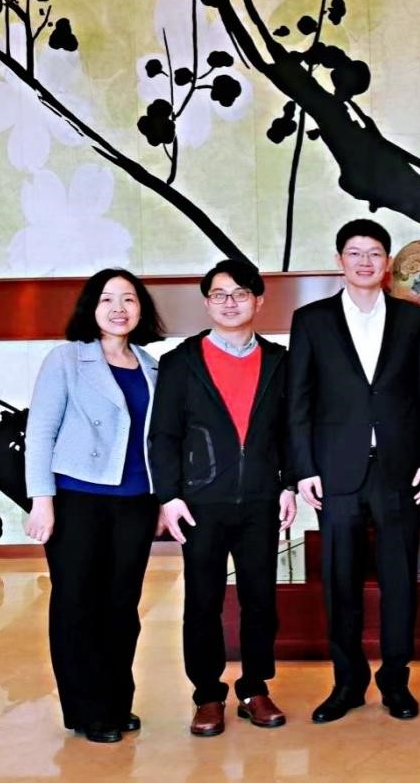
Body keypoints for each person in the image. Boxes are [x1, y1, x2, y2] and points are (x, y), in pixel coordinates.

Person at [287, 219, 420, 723]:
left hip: (399, 471)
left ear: (387, 262)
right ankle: (347, 683)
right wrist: (303, 468)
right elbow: (298, 402)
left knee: (400, 580)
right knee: (340, 582)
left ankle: (396, 682)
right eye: (354, 253)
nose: (364, 262)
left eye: (374, 253)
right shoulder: (311, 320)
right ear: (340, 261)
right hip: (335, 473)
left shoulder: (413, 320)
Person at [148, 259, 296, 736]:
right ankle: (207, 695)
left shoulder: (280, 362)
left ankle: (255, 688)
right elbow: (163, 435)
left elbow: (291, 431)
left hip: (261, 500)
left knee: (260, 599)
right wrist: (169, 496)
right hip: (200, 503)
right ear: (207, 302)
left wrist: (289, 484)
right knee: (202, 601)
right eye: (219, 294)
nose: (230, 302)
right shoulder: (181, 362)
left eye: (240, 293)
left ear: (258, 300)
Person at [23, 268, 166, 743]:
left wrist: (162, 499)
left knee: (122, 606)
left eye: (129, 299)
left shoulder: (151, 365)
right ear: (92, 307)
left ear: (141, 309)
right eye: (108, 299)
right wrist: (42, 500)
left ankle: (116, 702)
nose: (119, 308)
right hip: (77, 498)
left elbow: (159, 441)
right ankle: (87, 711)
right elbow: (40, 433)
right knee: (77, 604)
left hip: (136, 501)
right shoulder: (67, 359)